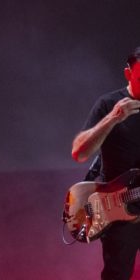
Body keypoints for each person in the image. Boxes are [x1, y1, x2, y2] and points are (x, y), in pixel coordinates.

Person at [72, 47, 140, 279]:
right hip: (117, 208)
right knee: (117, 274)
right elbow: (79, 152)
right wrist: (114, 117)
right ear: (128, 73)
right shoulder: (109, 103)